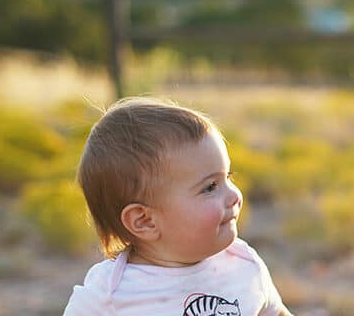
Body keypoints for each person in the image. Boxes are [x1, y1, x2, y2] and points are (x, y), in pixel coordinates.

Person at [64, 97, 290, 315]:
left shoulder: (243, 263)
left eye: (228, 177)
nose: (234, 195)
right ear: (144, 221)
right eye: (210, 187)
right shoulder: (109, 295)